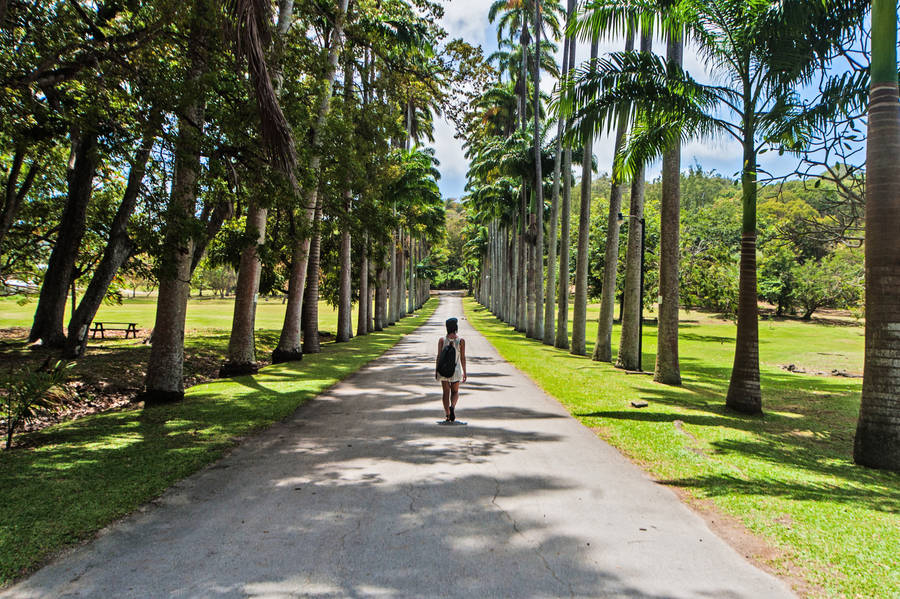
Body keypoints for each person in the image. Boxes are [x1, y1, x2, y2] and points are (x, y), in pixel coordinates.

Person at [435, 317, 466, 422]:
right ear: (456, 327)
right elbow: (462, 358)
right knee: (455, 391)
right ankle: (452, 406)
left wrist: (436, 370)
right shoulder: (460, 341)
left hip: (444, 370)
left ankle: (448, 414)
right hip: (456, 370)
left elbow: (439, 357)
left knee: (445, 392)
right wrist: (465, 372)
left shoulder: (442, 340)